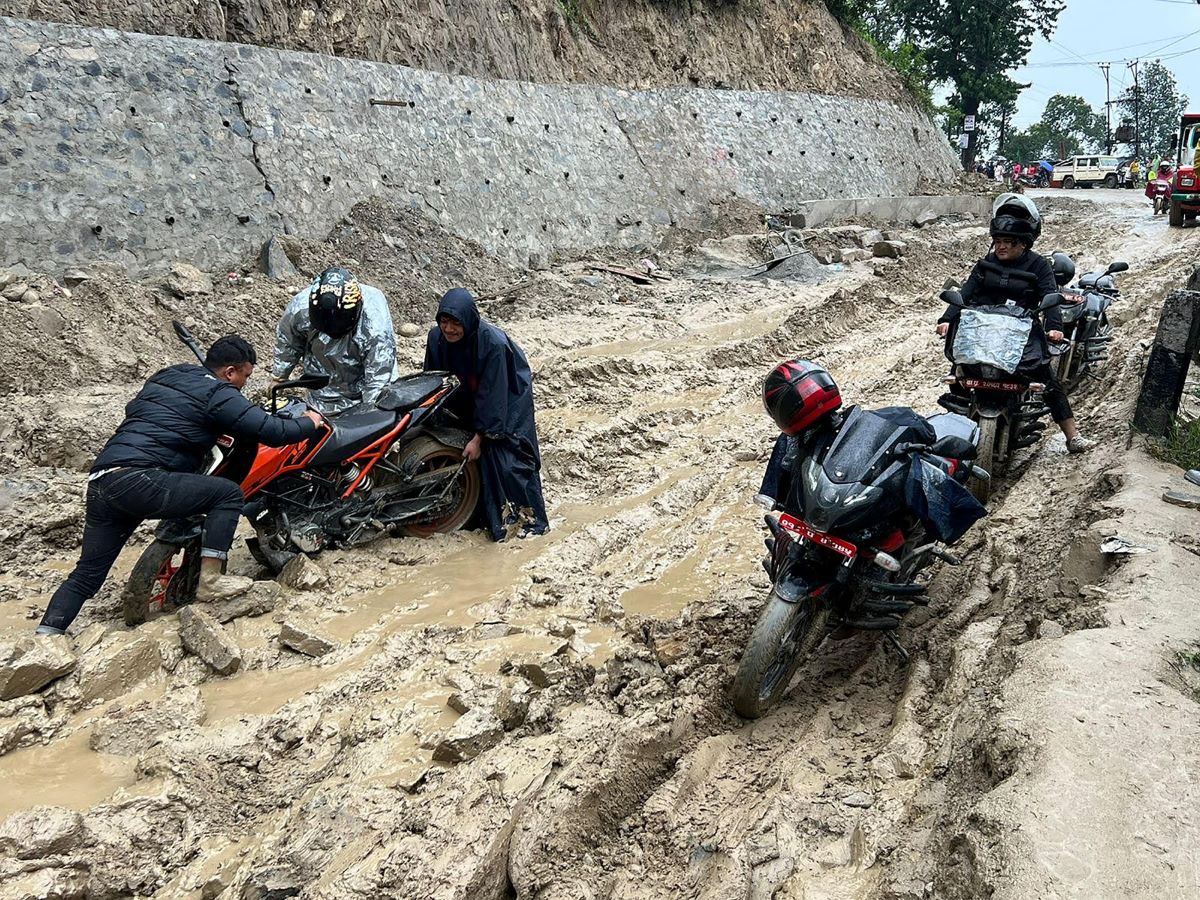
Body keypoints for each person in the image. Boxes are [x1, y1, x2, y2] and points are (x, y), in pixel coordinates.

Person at [36, 336, 323, 635]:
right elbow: (271, 430)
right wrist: (310, 422)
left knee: (86, 575)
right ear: (229, 372)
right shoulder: (220, 393)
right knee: (226, 494)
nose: (244, 385)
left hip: (104, 479)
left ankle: (46, 637)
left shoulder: (168, 375)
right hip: (143, 478)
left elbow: (148, 411)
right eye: (245, 377)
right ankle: (211, 581)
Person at [934, 193, 1095, 454]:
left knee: (1048, 382)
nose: (1001, 247)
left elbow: (1049, 297)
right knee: (959, 373)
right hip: (982, 334)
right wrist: (946, 319)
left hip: (1021, 335)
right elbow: (965, 293)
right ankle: (954, 425)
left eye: (1008, 242)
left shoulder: (1040, 266)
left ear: (1023, 244)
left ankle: (1072, 436)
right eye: (998, 241)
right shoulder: (985, 265)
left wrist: (1054, 328)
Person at [424, 288, 548, 541]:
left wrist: (479, 437)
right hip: (466, 393)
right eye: (444, 321)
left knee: (507, 459)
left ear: (469, 320)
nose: (449, 329)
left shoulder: (493, 344)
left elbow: (493, 395)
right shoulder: (436, 338)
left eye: (456, 323)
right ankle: (472, 513)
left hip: (507, 395)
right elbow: (433, 380)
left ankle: (526, 523)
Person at [273, 267, 398, 415]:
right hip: (321, 382)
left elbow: (379, 377)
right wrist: (279, 376)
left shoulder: (375, 324)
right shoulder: (300, 308)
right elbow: (288, 341)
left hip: (362, 379)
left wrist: (372, 415)